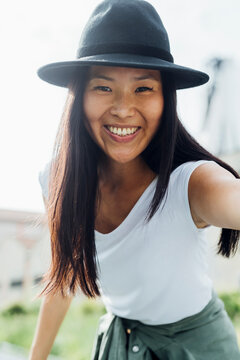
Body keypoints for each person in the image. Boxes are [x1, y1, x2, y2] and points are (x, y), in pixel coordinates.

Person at [29, 0, 240, 359]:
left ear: (166, 99)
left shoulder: (190, 182)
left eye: (143, 89)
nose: (124, 108)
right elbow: (63, 277)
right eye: (103, 87)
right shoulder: (57, 179)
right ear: (78, 97)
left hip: (200, 346)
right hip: (122, 342)